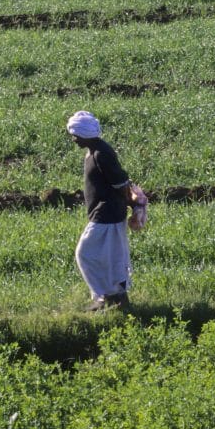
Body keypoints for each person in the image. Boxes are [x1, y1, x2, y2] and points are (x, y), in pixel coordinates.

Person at [67, 110, 137, 311]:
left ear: (85, 134)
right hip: (107, 212)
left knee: (85, 253)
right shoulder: (94, 152)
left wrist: (133, 203)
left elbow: (121, 182)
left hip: (107, 213)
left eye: (76, 135)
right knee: (113, 257)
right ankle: (118, 299)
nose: (74, 139)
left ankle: (103, 297)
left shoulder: (101, 154)